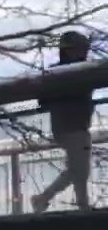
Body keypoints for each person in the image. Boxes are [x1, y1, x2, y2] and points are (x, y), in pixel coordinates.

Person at [31, 31, 94, 214]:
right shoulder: (73, 72)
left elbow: (43, 100)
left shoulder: (59, 72)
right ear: (71, 50)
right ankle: (44, 198)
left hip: (69, 126)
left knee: (78, 169)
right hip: (72, 126)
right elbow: (44, 99)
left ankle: (82, 205)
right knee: (79, 169)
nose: (85, 52)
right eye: (82, 49)